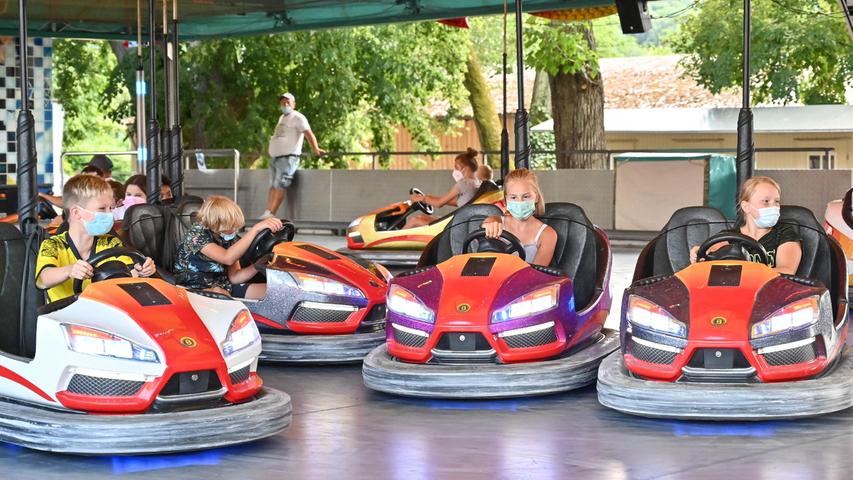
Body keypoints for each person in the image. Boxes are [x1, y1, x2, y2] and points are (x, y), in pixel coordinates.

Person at [35, 175, 155, 302]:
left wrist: (141, 271)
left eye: (111, 208)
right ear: (76, 213)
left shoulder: (110, 243)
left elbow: (128, 271)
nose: (110, 215)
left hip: (105, 312)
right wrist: (69, 270)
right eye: (102, 209)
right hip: (66, 315)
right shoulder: (53, 244)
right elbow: (43, 279)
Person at [175, 195, 284, 299]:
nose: (233, 230)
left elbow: (235, 277)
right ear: (215, 222)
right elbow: (227, 258)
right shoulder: (196, 235)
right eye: (229, 226)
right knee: (220, 294)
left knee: (275, 292)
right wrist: (256, 229)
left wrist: (257, 265)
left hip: (224, 286)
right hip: (193, 289)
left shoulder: (229, 238)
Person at [689, 176, 801, 274]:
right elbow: (714, 249)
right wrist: (701, 252)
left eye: (776, 202)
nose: (774, 207)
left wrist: (742, 272)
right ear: (746, 207)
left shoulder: (785, 233)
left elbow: (787, 270)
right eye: (766, 201)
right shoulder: (729, 237)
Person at [260, 92, 325, 219]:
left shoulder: (298, 117)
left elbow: (308, 133)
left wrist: (315, 149)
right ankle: (267, 211)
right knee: (273, 185)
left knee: (280, 184)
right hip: (276, 157)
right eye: (283, 102)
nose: (285, 104)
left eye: (287, 102)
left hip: (288, 157)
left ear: (294, 104)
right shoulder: (282, 118)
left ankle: (272, 213)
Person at [481, 168, 557, 266]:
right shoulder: (495, 223)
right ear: (506, 200)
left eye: (526, 197)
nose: (520, 202)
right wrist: (489, 224)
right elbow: (488, 224)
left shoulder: (547, 234)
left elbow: (537, 275)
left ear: (536, 197)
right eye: (513, 197)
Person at [403, 148, 483, 229]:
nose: (454, 171)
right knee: (423, 218)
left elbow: (439, 203)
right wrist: (428, 198)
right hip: (462, 223)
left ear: (465, 169)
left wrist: (421, 198)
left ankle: (393, 241)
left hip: (458, 226)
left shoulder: (464, 184)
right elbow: (454, 202)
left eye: (456, 167)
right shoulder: (477, 183)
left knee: (415, 220)